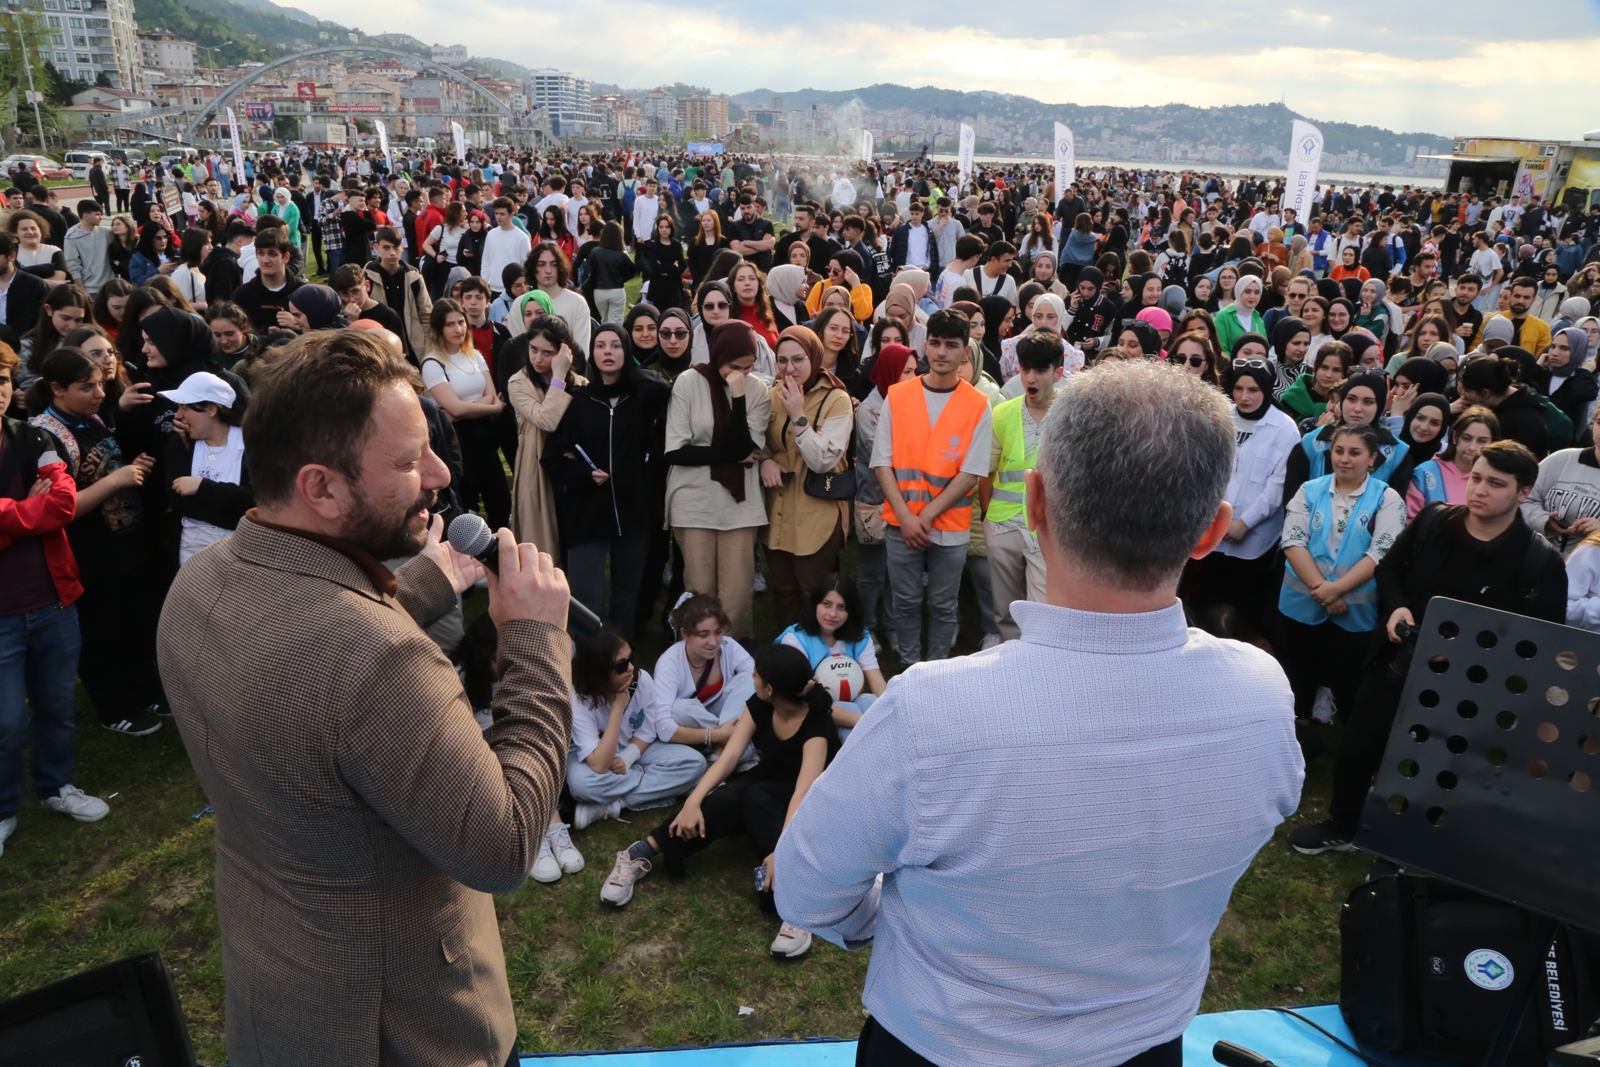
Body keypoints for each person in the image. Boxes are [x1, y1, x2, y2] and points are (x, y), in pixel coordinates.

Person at [777, 358, 1303, 1066]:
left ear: (1036, 505)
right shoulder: (1263, 697)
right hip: (1143, 1045)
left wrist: (881, 913)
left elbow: (807, 888)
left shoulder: (933, 710)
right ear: (1211, 531)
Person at [156, 328, 574, 1067]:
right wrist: (537, 644)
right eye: (411, 460)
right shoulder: (380, 662)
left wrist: (418, 585)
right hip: (404, 1027)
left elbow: (303, 675)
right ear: (320, 485)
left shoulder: (202, 583)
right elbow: (503, 845)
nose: (442, 473)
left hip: (280, 995)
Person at [1291, 440, 1565, 854]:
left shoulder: (1539, 561)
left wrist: (1467, 649)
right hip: (1399, 660)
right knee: (1359, 746)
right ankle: (1343, 826)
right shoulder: (1434, 521)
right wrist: (1398, 608)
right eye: (1475, 477)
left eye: (1495, 483)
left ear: (1523, 492)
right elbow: (1389, 571)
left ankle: (1419, 842)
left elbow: (1539, 642)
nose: (1479, 489)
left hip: (1473, 686)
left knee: (1445, 767)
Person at [603, 642, 839, 960]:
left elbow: (803, 790)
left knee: (756, 797)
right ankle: (640, 852)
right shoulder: (760, 703)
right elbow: (728, 758)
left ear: (770, 688)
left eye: (756, 674)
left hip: (813, 800)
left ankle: (795, 906)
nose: (751, 677)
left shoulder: (817, 725)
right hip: (769, 782)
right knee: (728, 798)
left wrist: (781, 853)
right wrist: (693, 801)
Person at [0, 342, 109, 856]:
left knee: (57, 704)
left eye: (2, 380)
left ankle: (56, 786)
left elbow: (63, 504)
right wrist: (27, 512)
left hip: (52, 599)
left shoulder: (35, 436)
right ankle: (3, 806)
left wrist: (10, 517)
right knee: (5, 719)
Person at [26, 347, 166, 736]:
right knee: (101, 631)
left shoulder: (91, 418)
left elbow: (106, 462)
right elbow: (59, 508)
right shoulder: (46, 434)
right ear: (57, 389)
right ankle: (113, 706)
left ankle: (145, 688)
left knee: (135, 621)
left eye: (101, 384)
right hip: (89, 554)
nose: (100, 393)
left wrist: (131, 469)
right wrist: (115, 480)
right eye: (86, 387)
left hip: (126, 544)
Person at [873, 307, 993, 664]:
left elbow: (971, 473)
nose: (941, 352)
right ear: (925, 345)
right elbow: (882, 462)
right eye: (936, 343)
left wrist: (921, 518)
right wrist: (908, 519)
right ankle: (910, 668)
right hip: (901, 523)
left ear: (964, 351)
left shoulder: (978, 404)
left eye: (951, 345)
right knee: (905, 601)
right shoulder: (898, 395)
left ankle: (938, 669)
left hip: (948, 526)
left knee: (943, 604)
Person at [542, 325, 669, 636]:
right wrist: (583, 475)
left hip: (633, 509)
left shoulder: (639, 399)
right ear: (592, 353)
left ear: (627, 352)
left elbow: (661, 388)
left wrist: (633, 374)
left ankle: (621, 657)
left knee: (627, 592)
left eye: (616, 346)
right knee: (587, 597)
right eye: (601, 346)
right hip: (586, 511)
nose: (608, 352)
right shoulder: (578, 402)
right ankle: (588, 664)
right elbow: (551, 460)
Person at [1278, 422, 1407, 723]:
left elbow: (1382, 552)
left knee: (1347, 673)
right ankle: (1300, 722)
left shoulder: (1387, 499)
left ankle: (1347, 723)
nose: (1344, 458)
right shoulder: (1309, 491)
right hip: (1302, 603)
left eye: (1355, 452)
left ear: (1372, 458)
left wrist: (1337, 589)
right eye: (1339, 451)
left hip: (1355, 608)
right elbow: (1293, 540)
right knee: (1299, 668)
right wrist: (1324, 591)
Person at [663, 321, 773, 640]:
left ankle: (734, 668)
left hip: (740, 506)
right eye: (732, 366)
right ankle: (697, 664)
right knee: (699, 593)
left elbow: (745, 446)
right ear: (717, 354)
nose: (738, 373)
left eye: (748, 367)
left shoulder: (757, 391)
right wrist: (730, 454)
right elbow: (676, 452)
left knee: (736, 596)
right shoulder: (688, 382)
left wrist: (738, 396)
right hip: (693, 501)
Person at [558, 628, 707, 846]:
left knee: (695, 764)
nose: (630, 668)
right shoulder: (577, 698)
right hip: (595, 757)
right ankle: (666, 784)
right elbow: (599, 765)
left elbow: (647, 731)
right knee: (582, 785)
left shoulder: (641, 680)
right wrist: (618, 709)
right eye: (621, 665)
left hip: (636, 749)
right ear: (598, 670)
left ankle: (612, 806)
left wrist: (628, 758)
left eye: (632, 658)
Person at [1190, 355, 1300, 640]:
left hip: (1255, 539)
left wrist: (1245, 523)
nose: (1244, 397)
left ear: (1266, 390)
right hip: (1213, 531)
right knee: (1209, 604)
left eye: (1253, 390)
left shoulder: (1285, 428)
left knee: (1245, 609)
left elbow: (1278, 485)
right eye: (1239, 389)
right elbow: (1205, 469)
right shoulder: (1221, 415)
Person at [759, 325, 853, 627]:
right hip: (778, 511)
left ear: (814, 357)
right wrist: (764, 461)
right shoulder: (771, 395)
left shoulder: (836, 399)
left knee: (816, 593)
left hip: (817, 515)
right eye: (782, 360)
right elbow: (757, 442)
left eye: (798, 359)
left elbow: (823, 460)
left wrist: (799, 417)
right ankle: (790, 659)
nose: (789, 368)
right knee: (784, 591)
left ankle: (823, 658)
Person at [984, 331, 1063, 640]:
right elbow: (987, 472)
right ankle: (1011, 677)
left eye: (1040, 370)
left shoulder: (1071, 416)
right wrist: (988, 519)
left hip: (1047, 530)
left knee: (1042, 613)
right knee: (1005, 612)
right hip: (1002, 526)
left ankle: (1040, 675)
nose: (1031, 377)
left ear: (1057, 372)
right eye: (1025, 368)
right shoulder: (1002, 412)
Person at [420, 298, 510, 531]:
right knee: (465, 498)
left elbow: (489, 393)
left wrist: (464, 409)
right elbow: (457, 409)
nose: (458, 329)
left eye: (461, 322)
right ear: (439, 329)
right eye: (450, 324)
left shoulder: (475, 355)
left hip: (483, 435)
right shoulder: (432, 363)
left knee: (499, 496)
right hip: (455, 439)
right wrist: (492, 408)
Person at [778, 573, 886, 737]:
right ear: (815, 604)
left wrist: (890, 710)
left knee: (871, 701)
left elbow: (877, 682)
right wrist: (865, 721)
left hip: (853, 703)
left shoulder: (859, 636)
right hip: (810, 708)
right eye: (826, 604)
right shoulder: (794, 639)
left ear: (851, 610)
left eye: (841, 607)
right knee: (852, 711)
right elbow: (805, 698)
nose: (832, 614)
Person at [161, 370, 252, 566]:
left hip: (239, 552)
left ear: (211, 409)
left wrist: (202, 487)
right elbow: (179, 502)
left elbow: (253, 500)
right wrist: (231, 506)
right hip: (190, 554)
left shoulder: (249, 444)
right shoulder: (181, 444)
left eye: (185, 406)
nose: (178, 414)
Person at [1406, 406, 1499, 518]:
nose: (1473, 447)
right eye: (1466, 438)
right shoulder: (1425, 472)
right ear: (1455, 437)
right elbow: (1410, 522)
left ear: (1493, 443)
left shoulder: (1498, 479)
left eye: (1482, 441)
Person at [365, 227, 432, 362]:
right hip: (379, 348)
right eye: (386, 248)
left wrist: (426, 345)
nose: (392, 253)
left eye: (396, 248)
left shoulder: (414, 277)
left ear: (402, 247)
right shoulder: (367, 277)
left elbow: (426, 314)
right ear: (377, 248)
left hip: (413, 348)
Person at [229, 229, 303, 336]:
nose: (265, 260)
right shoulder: (242, 295)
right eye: (261, 253)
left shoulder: (303, 293)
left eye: (272, 254)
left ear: (286, 257)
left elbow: (319, 334)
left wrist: (298, 324)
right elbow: (233, 333)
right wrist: (263, 332)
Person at [63, 201, 113, 296]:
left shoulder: (107, 232)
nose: (101, 217)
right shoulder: (71, 237)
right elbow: (72, 264)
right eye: (97, 214)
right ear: (86, 215)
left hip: (111, 287)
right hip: (90, 289)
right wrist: (82, 290)